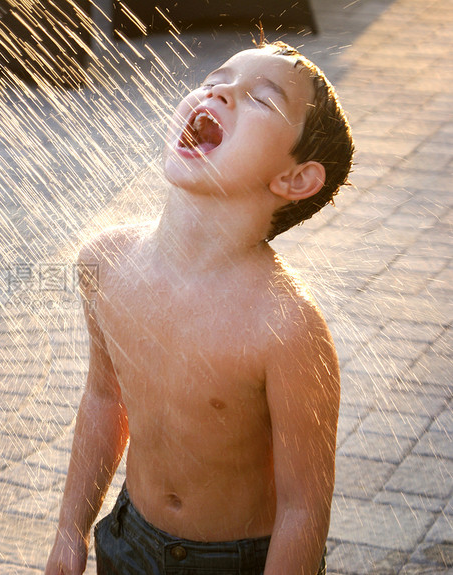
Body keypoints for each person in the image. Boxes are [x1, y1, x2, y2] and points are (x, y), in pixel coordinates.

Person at [45, 40, 354, 575]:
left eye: (262, 98)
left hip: (236, 562)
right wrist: (71, 531)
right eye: (217, 78)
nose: (222, 91)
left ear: (294, 178)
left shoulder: (288, 328)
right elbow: (103, 398)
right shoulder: (105, 263)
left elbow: (304, 509)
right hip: (128, 540)